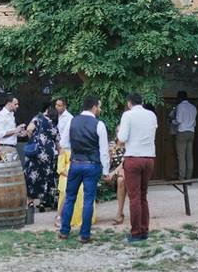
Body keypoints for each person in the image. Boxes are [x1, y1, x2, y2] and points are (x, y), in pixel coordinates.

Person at [58, 97, 110, 244]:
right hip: (92, 164)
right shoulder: (99, 124)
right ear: (94, 107)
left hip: (75, 163)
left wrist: (75, 149)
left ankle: (64, 231)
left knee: (70, 198)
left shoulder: (72, 121)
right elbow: (104, 151)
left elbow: (63, 143)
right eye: (99, 106)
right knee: (88, 200)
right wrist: (105, 171)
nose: (100, 109)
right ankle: (84, 235)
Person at [116, 93, 158, 242]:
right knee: (143, 196)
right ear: (142, 102)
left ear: (129, 103)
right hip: (149, 158)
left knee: (134, 197)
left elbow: (122, 138)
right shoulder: (152, 115)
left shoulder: (128, 115)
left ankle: (135, 233)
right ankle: (144, 229)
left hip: (133, 157)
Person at [22, 102, 59, 211]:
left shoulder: (37, 117)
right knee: (46, 175)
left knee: (31, 175)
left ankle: (31, 202)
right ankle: (43, 202)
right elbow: (57, 138)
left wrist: (33, 139)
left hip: (34, 151)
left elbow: (29, 129)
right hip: (48, 153)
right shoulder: (51, 122)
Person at [170, 91, 197, 180]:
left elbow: (179, 120)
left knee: (181, 156)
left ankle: (182, 177)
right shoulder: (193, 107)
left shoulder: (180, 106)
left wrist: (172, 121)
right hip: (191, 132)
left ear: (180, 98)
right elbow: (194, 122)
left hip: (182, 132)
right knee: (189, 155)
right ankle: (189, 177)